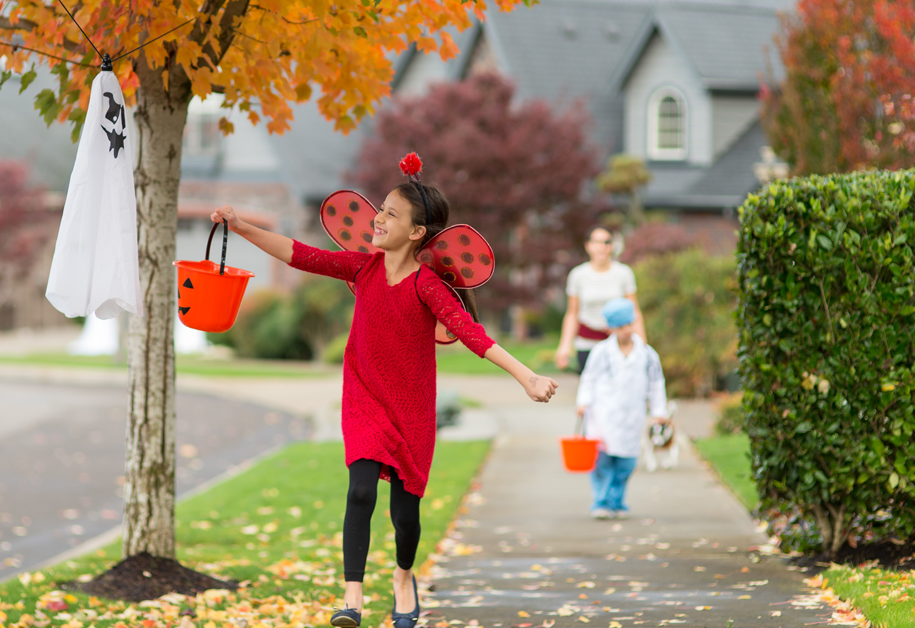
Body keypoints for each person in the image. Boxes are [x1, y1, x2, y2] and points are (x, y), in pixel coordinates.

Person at [209, 163, 558, 628]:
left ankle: (402, 576)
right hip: (364, 397)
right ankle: (352, 599)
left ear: (416, 232)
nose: (377, 219)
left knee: (405, 518)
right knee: (359, 490)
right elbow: (298, 254)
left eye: (391, 215)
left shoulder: (427, 285)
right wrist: (242, 226)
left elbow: (472, 335)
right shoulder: (363, 267)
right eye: (382, 210)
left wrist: (527, 376)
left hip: (411, 408)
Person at [574, 297, 667, 520]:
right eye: (619, 326)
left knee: (627, 462)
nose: (625, 330)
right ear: (610, 328)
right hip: (603, 413)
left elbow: (656, 383)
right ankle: (602, 502)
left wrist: (659, 412)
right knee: (602, 461)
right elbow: (589, 378)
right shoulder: (601, 352)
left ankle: (617, 500)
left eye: (628, 325)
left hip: (632, 415)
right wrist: (583, 401)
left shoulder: (647, 354)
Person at [554, 227, 646, 375]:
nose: (602, 247)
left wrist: (642, 344)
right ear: (588, 246)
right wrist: (564, 347)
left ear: (612, 246)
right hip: (587, 342)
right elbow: (572, 313)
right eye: (596, 242)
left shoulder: (624, 273)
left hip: (617, 341)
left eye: (606, 242)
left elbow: (634, 311)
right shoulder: (578, 275)